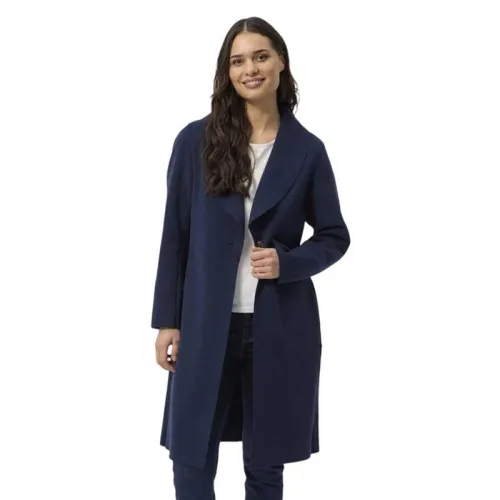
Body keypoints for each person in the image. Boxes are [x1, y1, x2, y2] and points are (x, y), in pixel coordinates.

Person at [151, 16, 350, 500]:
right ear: (228, 72)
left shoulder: (308, 151)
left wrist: (288, 263)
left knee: (265, 464)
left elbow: (334, 236)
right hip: (204, 323)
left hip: (278, 325)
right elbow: (175, 235)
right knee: (190, 457)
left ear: (281, 62)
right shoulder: (195, 142)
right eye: (237, 61)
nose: (250, 69)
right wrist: (167, 321)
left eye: (260, 56)